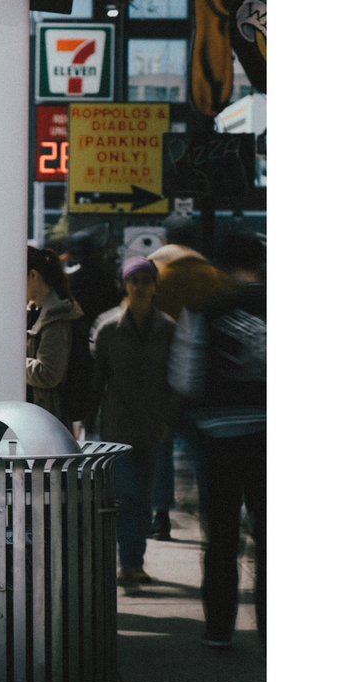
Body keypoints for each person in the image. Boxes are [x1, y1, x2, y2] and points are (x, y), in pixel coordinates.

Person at [169, 229, 266, 648]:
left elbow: (185, 377)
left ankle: (219, 629)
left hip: (218, 438)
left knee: (222, 536)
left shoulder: (204, 310)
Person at [88, 257, 176, 590]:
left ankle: (133, 562)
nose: (139, 287)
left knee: (144, 496)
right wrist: (88, 420)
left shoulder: (167, 329)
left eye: (145, 280)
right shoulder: (109, 328)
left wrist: (170, 418)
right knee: (125, 495)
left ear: (154, 286)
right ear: (125, 285)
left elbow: (174, 380)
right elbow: (98, 380)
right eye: (133, 280)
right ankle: (127, 561)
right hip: (117, 425)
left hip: (154, 426)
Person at [147, 214, 225, 539]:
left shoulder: (155, 269)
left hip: (160, 373)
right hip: (204, 375)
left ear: (166, 238)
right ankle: (211, 509)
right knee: (201, 447)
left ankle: (161, 515)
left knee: (161, 447)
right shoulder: (212, 274)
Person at [26, 245, 85, 423]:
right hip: (41, 413)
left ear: (33, 276)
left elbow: (48, 373)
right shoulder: (37, 310)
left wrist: (12, 362)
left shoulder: (56, 317)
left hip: (48, 417)